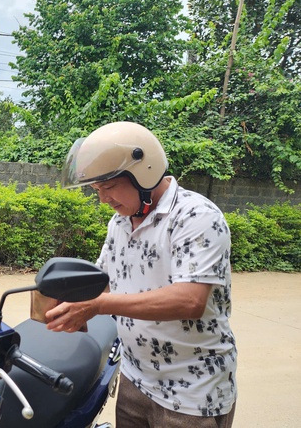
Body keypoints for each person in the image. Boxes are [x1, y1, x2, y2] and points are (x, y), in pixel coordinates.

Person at [49, 121, 237, 427]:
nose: (103, 199)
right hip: (135, 379)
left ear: (144, 172)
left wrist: (97, 306)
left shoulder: (196, 216)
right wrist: (67, 298)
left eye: (109, 187)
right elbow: (103, 282)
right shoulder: (120, 222)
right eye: (97, 190)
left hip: (192, 392)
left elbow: (189, 300)